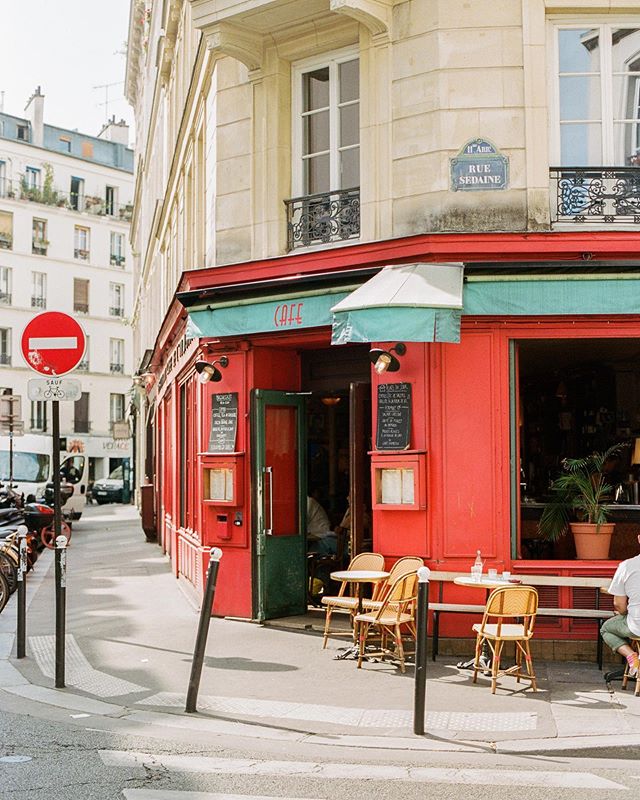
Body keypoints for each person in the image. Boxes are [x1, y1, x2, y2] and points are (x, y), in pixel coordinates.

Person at [601, 534, 640, 676]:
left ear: (639, 539)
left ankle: (632, 656)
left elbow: (618, 604)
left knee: (606, 629)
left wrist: (625, 614)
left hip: (637, 625)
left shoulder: (627, 566)